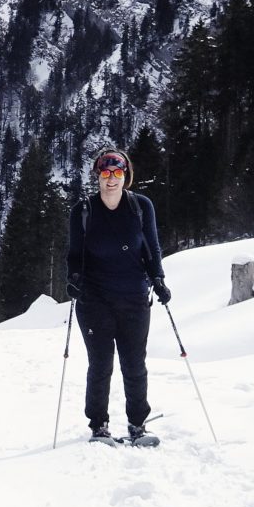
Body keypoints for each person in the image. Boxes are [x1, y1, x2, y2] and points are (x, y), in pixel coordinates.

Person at [66, 147, 171, 441]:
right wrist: (73, 279)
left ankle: (137, 425)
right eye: (105, 173)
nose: (111, 179)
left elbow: (152, 247)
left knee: (134, 364)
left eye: (117, 173)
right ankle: (98, 426)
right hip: (94, 300)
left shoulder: (141, 206)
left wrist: (159, 279)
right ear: (97, 176)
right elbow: (74, 255)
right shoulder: (83, 211)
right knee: (100, 365)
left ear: (126, 175)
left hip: (134, 297)